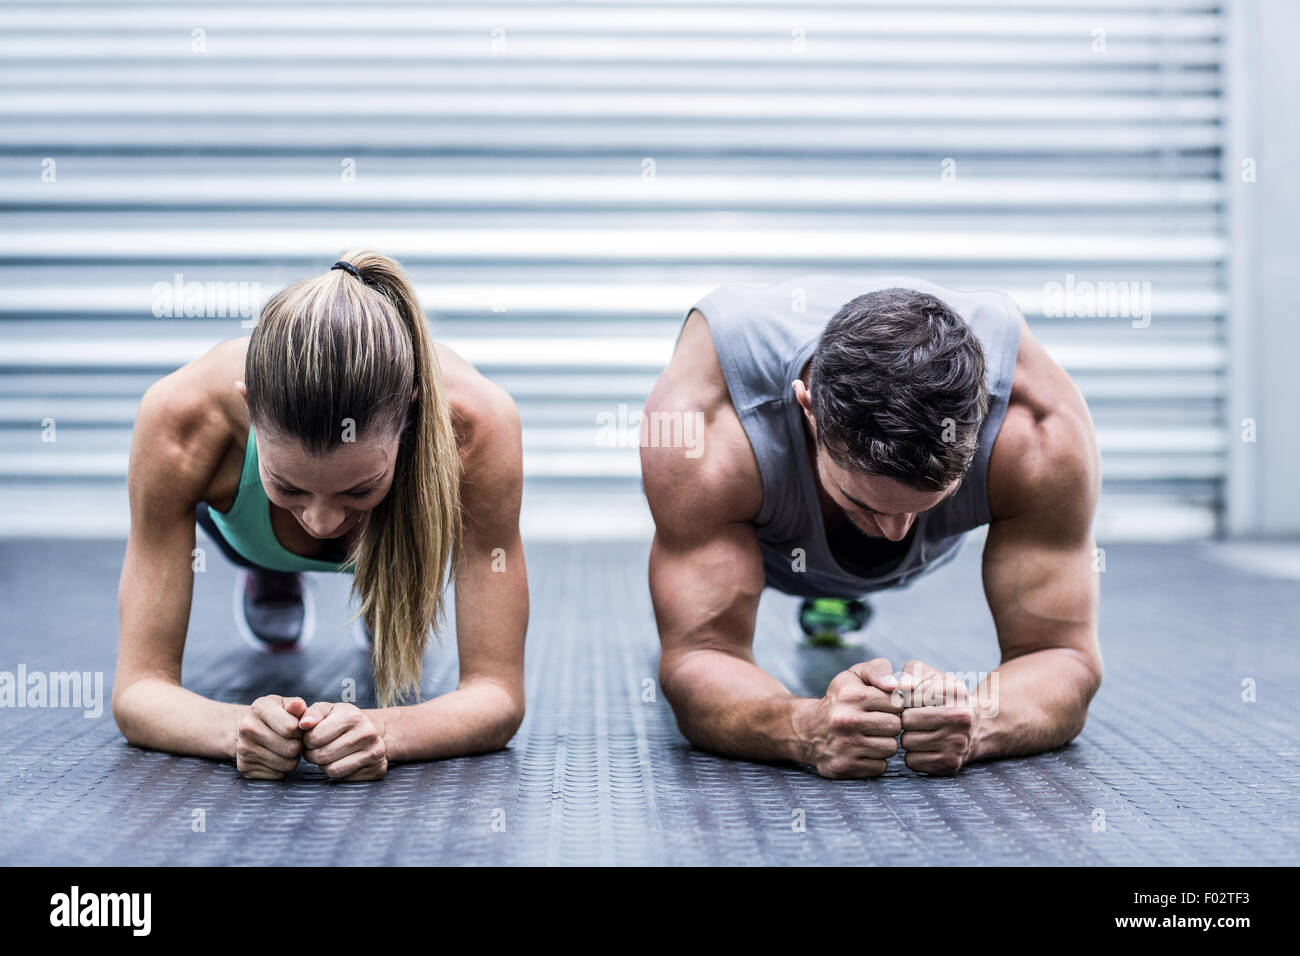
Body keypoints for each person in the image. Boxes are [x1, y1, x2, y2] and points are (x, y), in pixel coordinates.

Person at [640, 275, 1102, 778]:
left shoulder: (1036, 429)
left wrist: (980, 720)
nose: (896, 534)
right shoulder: (706, 427)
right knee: (728, 560)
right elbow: (700, 656)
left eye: (926, 504)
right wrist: (804, 727)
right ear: (808, 407)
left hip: (829, 504)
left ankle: (842, 560)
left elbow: (1062, 656)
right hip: (776, 540)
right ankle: (827, 582)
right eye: (863, 502)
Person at [113, 251, 528, 781]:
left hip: (399, 533)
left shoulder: (477, 425)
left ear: (411, 416)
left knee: (389, 620)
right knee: (284, 515)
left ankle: (381, 584)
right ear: (250, 407)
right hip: (247, 534)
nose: (324, 521)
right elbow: (137, 689)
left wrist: (385, 731)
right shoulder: (181, 419)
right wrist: (236, 729)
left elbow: (497, 694)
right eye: (288, 486)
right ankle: (271, 566)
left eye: (358, 489)